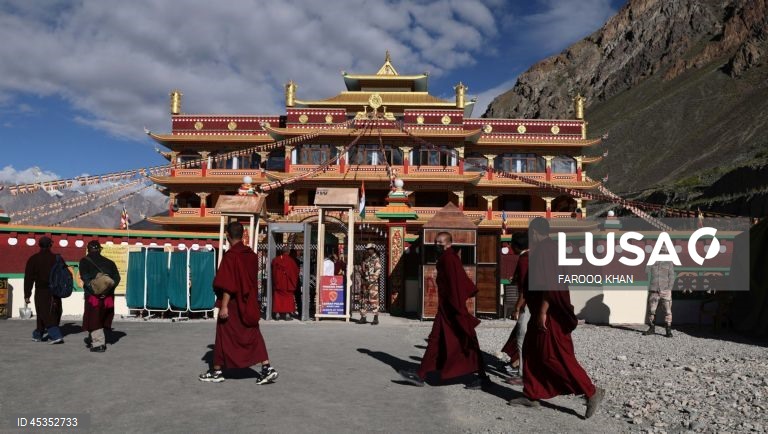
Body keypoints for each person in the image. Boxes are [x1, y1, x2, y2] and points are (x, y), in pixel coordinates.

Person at [508, 218, 604, 419]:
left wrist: (543, 311)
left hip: (550, 314)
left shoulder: (545, 250)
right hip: (540, 312)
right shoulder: (548, 248)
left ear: (534, 232)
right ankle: (532, 395)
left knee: (556, 355)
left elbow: (550, 282)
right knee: (531, 352)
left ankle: (591, 392)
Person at [399, 232, 491, 390]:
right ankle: (422, 373)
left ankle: (422, 374)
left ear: (448, 243)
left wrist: (457, 308)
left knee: (463, 340)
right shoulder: (448, 257)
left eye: (440, 243)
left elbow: (455, 284)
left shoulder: (449, 259)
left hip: (451, 308)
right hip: (448, 307)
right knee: (444, 340)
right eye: (435, 243)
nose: (437, 246)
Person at [200, 222, 278, 384]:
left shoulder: (231, 256)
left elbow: (229, 284)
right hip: (248, 302)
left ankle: (217, 371)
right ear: (243, 235)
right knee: (253, 332)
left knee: (223, 334)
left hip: (234, 304)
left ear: (227, 235)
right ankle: (267, 367)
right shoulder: (250, 255)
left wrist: (224, 306)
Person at [79, 240, 121, 353]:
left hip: (93, 297)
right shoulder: (109, 262)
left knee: (94, 319)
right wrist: (107, 291)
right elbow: (117, 278)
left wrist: (96, 291)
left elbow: (85, 278)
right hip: (108, 297)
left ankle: (99, 344)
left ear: (88, 249)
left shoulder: (84, 261)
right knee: (104, 316)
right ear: (100, 249)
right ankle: (94, 338)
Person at [24, 236, 64, 344]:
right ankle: (38, 334)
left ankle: (55, 335)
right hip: (56, 291)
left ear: (39, 245)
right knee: (53, 311)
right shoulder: (57, 258)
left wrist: (27, 294)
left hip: (41, 290)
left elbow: (28, 279)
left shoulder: (34, 259)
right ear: (51, 245)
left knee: (44, 312)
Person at [501, 232, 529, 380]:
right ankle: (517, 363)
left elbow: (525, 288)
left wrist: (517, 307)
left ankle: (521, 371)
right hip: (536, 303)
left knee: (521, 336)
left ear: (516, 246)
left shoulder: (525, 260)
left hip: (529, 304)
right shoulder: (534, 256)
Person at [642, 247, 675, 338]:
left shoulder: (669, 263)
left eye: (664, 252)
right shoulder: (652, 261)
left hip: (665, 291)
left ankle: (668, 330)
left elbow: (672, 276)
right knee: (652, 311)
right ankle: (652, 328)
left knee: (668, 311)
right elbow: (645, 271)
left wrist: (669, 288)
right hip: (654, 290)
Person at [271, 247, 299, 321]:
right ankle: (287, 314)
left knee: (278, 298)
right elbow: (295, 272)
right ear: (288, 252)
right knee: (288, 299)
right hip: (288, 284)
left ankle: (277, 314)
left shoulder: (276, 260)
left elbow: (273, 272)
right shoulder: (291, 261)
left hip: (278, 283)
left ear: (281, 252)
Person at [360, 243, 382, 325]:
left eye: (369, 249)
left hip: (372, 283)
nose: (368, 250)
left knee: (374, 300)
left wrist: (371, 280)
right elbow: (363, 269)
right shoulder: (367, 258)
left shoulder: (376, 259)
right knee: (363, 299)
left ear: (373, 249)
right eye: (367, 249)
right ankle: (363, 317)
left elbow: (378, 271)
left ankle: (375, 318)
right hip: (365, 282)